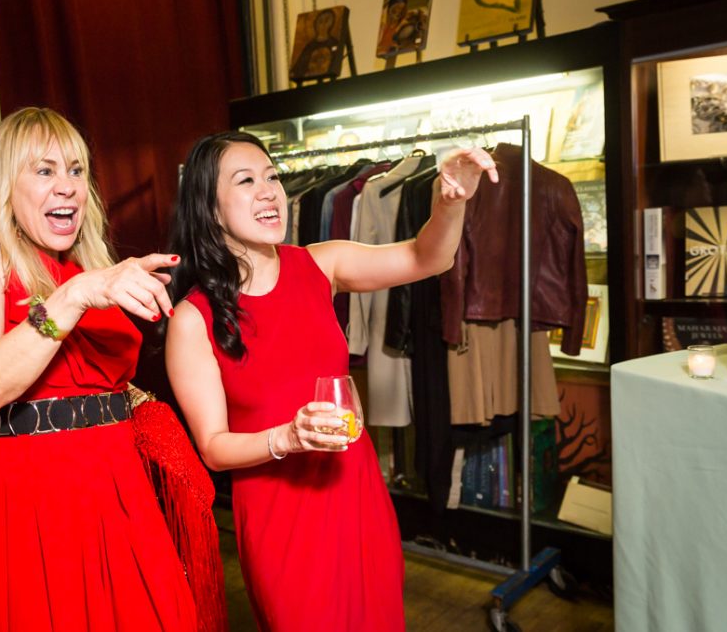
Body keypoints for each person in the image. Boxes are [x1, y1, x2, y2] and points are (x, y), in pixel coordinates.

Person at [164, 131, 497, 631]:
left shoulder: (322, 263)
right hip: (283, 520)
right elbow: (212, 448)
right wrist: (288, 437)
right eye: (246, 181)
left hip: (356, 496)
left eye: (272, 177)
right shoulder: (193, 320)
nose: (270, 191)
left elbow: (427, 257)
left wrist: (450, 203)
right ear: (209, 209)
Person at [0, 107, 212, 631]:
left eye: (77, 171)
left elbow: (87, 374)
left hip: (113, 488)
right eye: (44, 171)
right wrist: (73, 297)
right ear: (4, 182)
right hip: (21, 500)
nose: (68, 187)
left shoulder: (86, 264)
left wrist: (147, 413)